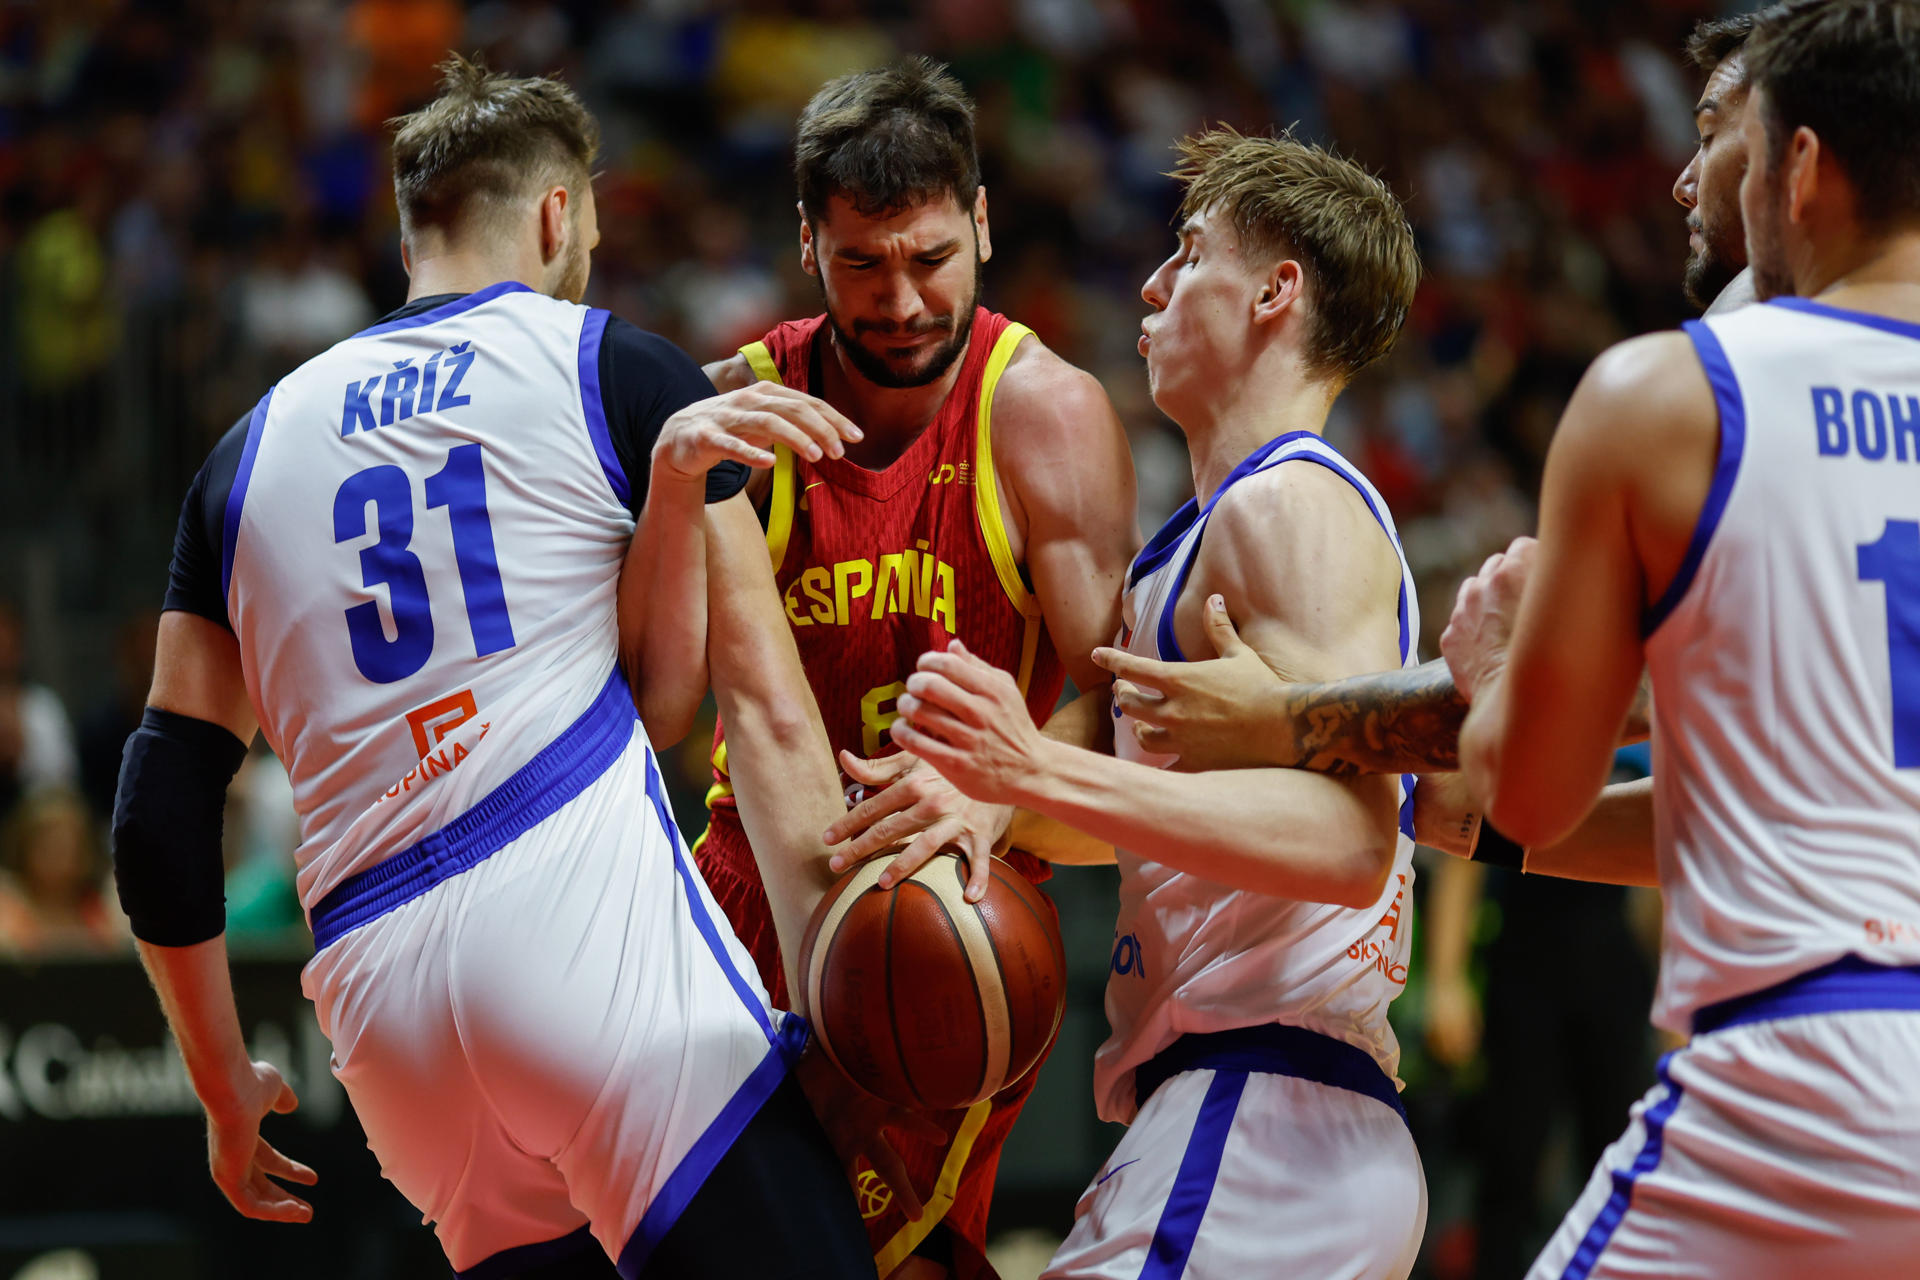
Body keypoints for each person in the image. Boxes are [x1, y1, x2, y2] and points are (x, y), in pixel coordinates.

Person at [108, 57, 885, 1279]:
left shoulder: (242, 456)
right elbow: (683, 703)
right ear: (555, 214)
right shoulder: (612, 364)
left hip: (383, 1007)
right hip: (570, 921)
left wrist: (220, 1080)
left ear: (412, 227)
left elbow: (158, 809)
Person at [892, 127, 1427, 1279]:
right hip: (1251, 1120)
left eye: (1190, 254)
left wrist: (1028, 766)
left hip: (1269, 1113)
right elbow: (1163, 816)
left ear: (1278, 292)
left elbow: (1346, 839)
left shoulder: (1288, 506)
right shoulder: (1196, 545)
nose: (1152, 283)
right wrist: (990, 806)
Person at [1446, 2, 1920, 1274]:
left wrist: (1491, 667)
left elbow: (1535, 796)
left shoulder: (1669, 391)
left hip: (1805, 1064)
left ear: (1801, 166)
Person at [691, 58, 1140, 1280]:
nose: (899, 300)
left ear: (983, 223)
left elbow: (1121, 699)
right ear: (807, 245)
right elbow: (661, 693)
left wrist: (997, 793)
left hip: (949, 908)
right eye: (862, 264)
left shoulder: (1043, 411)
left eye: (931, 259)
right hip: (747, 891)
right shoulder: (739, 408)